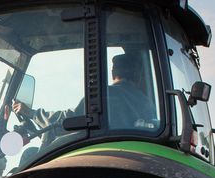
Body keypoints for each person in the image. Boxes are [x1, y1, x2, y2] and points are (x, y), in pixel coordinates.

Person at [11, 49, 157, 133]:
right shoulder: (146, 102)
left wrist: (32, 113)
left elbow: (71, 120)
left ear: (113, 73)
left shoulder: (108, 95)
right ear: (137, 76)